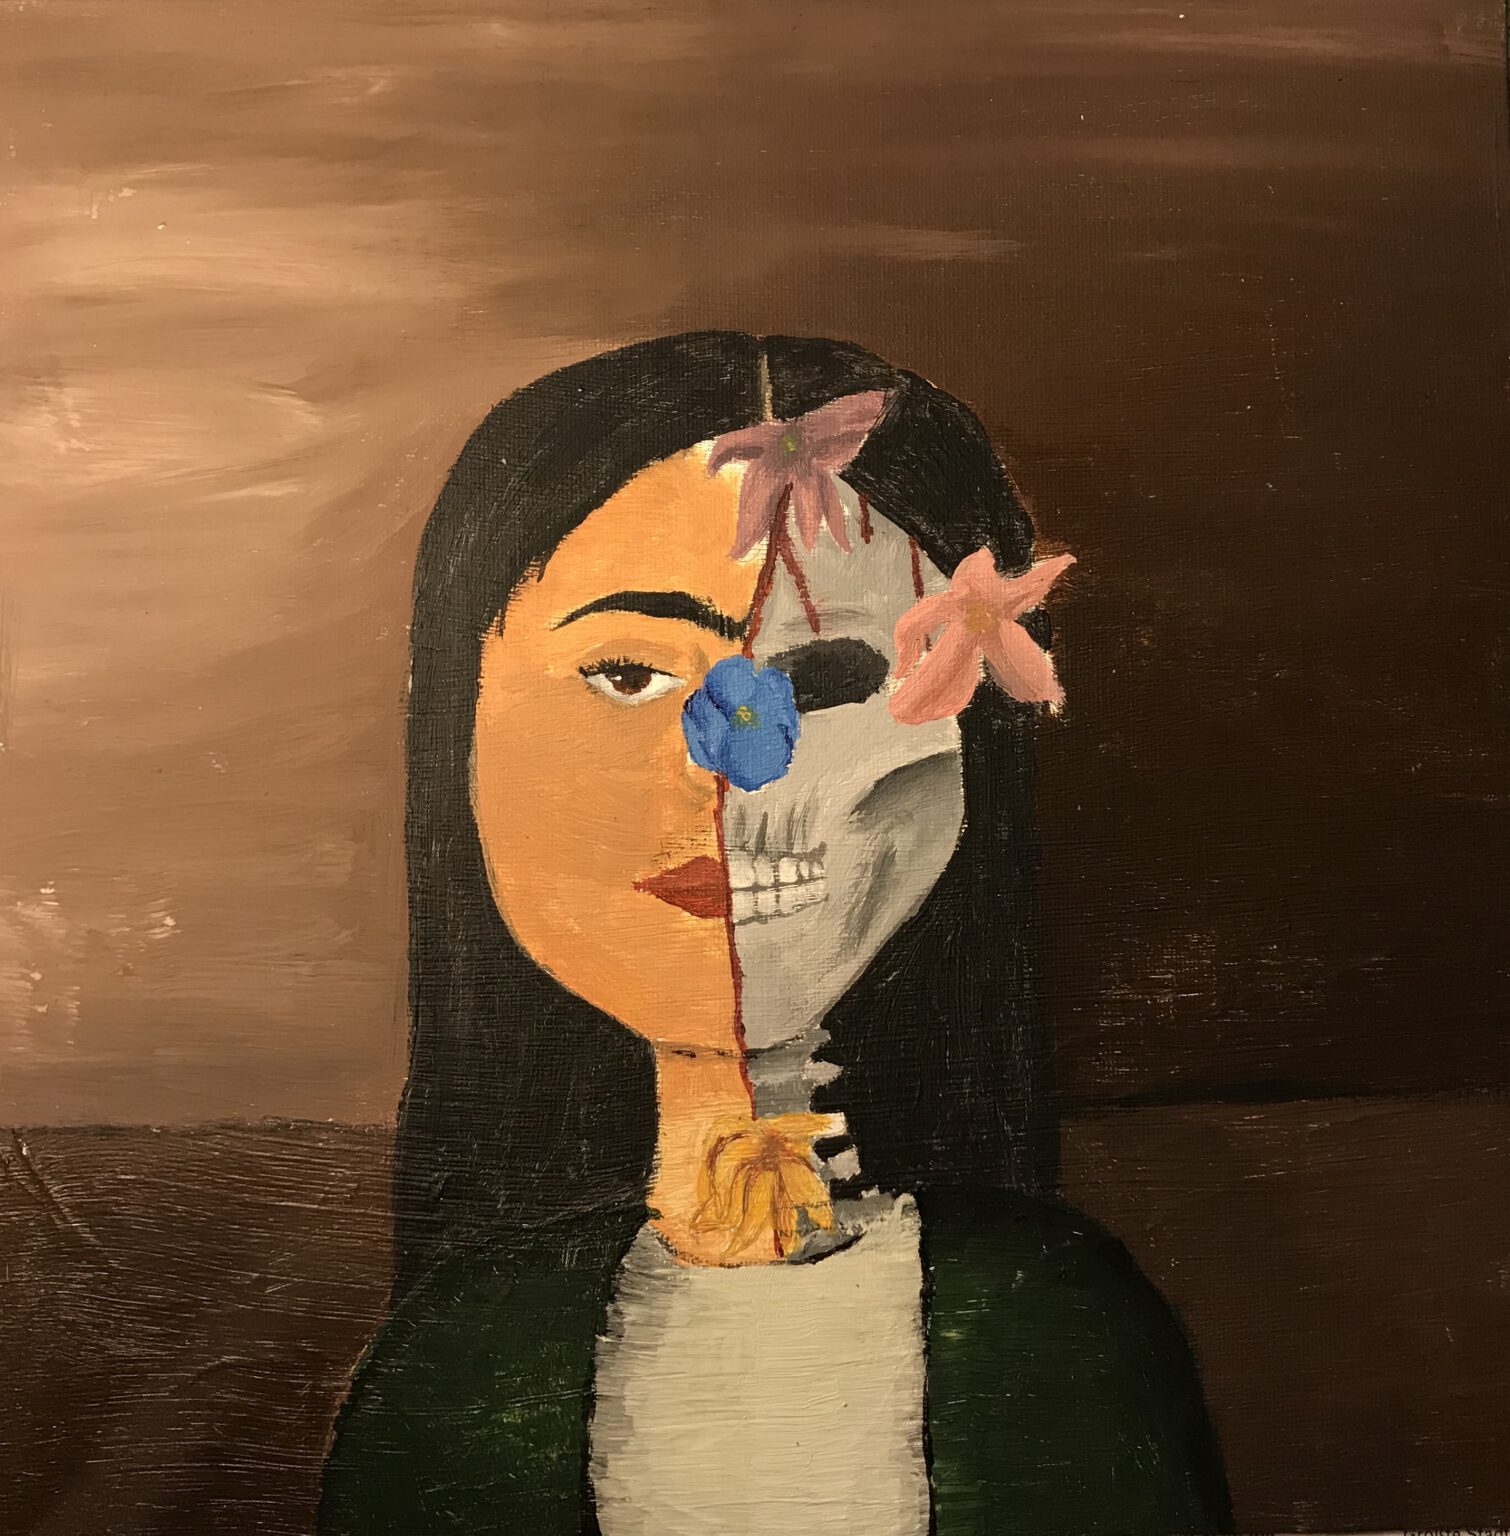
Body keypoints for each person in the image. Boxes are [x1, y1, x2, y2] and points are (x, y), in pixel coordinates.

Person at [318, 332, 1232, 1535]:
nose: (735, 769)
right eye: (628, 675)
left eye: (835, 675)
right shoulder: (458, 1352)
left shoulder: (1058, 1316)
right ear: (457, 729)